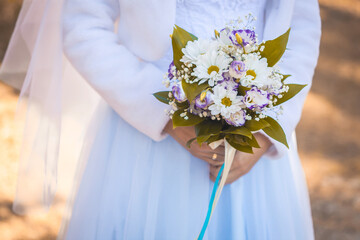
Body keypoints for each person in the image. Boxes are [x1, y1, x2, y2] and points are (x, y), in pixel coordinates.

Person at [1, 0, 321, 239]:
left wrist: (266, 134)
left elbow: (302, 26)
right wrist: (166, 117)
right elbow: (82, 24)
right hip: (148, 141)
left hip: (254, 138)